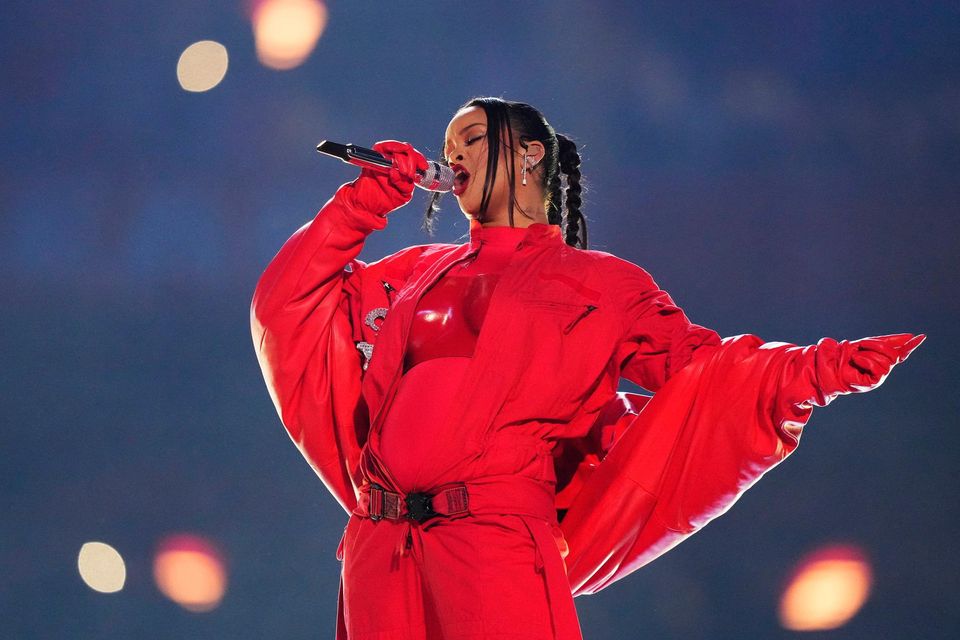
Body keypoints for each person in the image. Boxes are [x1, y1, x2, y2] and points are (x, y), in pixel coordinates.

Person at [250, 97, 925, 640]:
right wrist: (360, 206)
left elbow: (702, 368)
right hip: (380, 546)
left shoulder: (600, 284)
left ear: (531, 154)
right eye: (449, 145)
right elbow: (288, 304)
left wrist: (816, 370)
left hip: (493, 545)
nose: (452, 155)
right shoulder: (412, 274)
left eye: (473, 139)